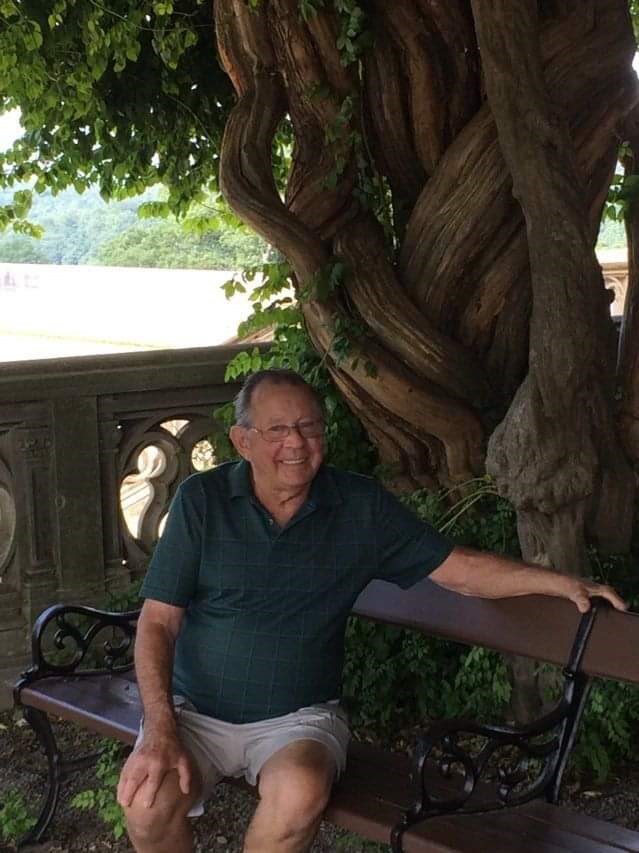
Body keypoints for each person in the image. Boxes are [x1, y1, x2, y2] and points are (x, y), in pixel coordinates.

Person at [116, 368, 626, 853]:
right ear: (242, 441)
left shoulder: (359, 507)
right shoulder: (202, 500)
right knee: (146, 802)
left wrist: (558, 581)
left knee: (298, 791)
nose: (296, 443)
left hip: (296, 721)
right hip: (194, 711)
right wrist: (160, 728)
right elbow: (158, 622)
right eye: (277, 430)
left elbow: (460, 569)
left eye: (309, 427)